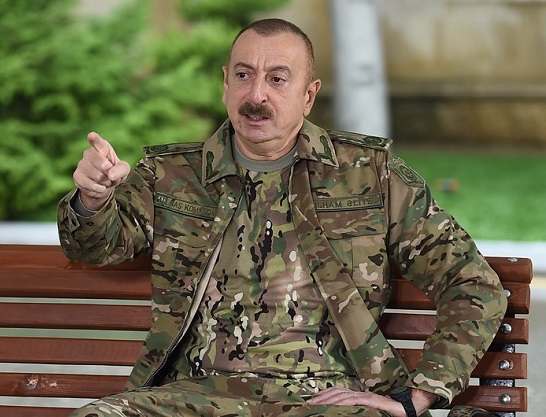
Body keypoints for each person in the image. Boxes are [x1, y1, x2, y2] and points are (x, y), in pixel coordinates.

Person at [57, 18, 507, 417]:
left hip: (327, 400)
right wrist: (93, 199)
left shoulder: (369, 175)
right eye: (243, 75)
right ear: (225, 84)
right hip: (193, 396)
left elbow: (471, 281)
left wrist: (419, 395)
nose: (257, 95)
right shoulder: (172, 175)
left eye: (277, 79)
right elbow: (93, 247)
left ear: (309, 95)